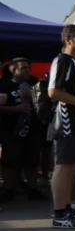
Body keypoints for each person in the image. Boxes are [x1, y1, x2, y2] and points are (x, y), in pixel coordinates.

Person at [48, 25, 75, 228]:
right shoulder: (63, 60)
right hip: (65, 119)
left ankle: (66, 208)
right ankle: (59, 212)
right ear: (68, 40)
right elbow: (53, 91)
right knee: (63, 166)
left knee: (70, 166)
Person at [0, 58, 44, 201]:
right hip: (11, 129)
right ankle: (9, 189)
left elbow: (45, 101)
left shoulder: (35, 83)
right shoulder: (4, 85)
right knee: (10, 160)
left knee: (32, 160)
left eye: (28, 68)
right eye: (23, 68)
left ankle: (33, 188)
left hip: (33, 129)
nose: (27, 71)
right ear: (13, 69)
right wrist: (15, 109)